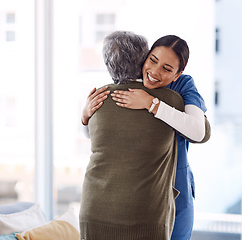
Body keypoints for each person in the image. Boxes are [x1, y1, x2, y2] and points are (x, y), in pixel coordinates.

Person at [82, 35, 209, 240]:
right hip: (137, 189)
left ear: (178, 74)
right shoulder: (126, 87)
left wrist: (151, 103)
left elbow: (199, 132)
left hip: (176, 179)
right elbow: (101, 136)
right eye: (152, 60)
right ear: (144, 57)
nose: (155, 72)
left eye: (167, 69)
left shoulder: (182, 87)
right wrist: (85, 116)